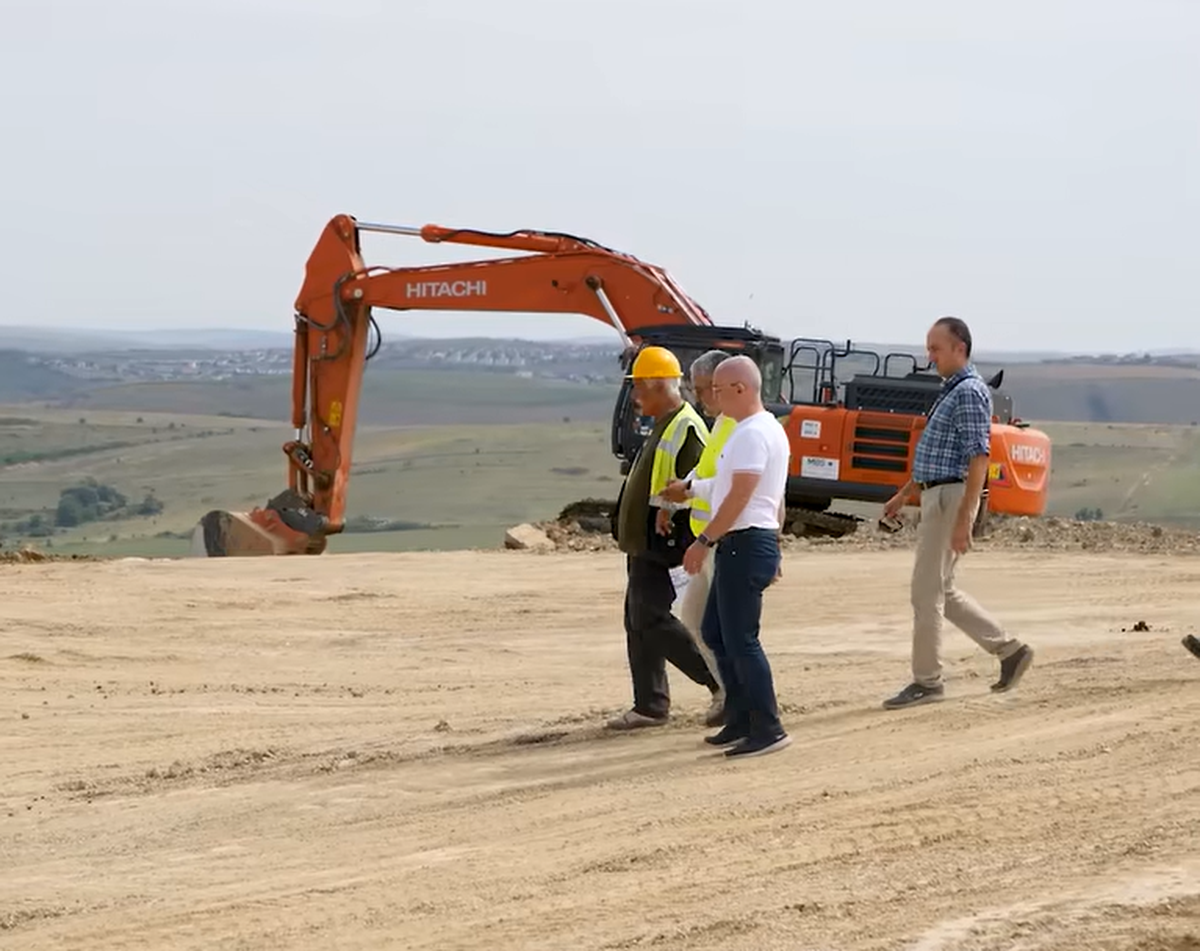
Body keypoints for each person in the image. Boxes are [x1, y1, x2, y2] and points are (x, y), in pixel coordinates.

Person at [880, 316, 1034, 710]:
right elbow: (937, 457)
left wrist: (966, 517)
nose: (929, 356)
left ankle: (927, 681)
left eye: (936, 348)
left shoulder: (967, 392)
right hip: (938, 493)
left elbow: (977, 457)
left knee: (925, 592)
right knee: (941, 592)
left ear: (959, 349)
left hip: (951, 497)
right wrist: (904, 495)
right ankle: (1010, 651)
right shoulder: (952, 391)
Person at [608, 345, 725, 731]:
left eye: (639, 388)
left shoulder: (686, 425)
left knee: (652, 619)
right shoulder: (664, 421)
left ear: (658, 386)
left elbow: (691, 484)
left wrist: (667, 514)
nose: (636, 397)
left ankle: (720, 682)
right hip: (645, 543)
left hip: (663, 544)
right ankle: (650, 704)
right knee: (638, 620)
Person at [680, 355, 792, 758]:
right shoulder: (761, 431)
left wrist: (704, 541)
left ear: (741, 389)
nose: (712, 397)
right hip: (748, 541)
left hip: (743, 542)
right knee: (715, 632)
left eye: (718, 390)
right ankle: (742, 716)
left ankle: (768, 726)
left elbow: (740, 495)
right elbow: (770, 497)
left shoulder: (750, 434)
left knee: (742, 639)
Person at [659, 350, 738, 694]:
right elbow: (704, 469)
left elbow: (729, 484)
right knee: (694, 621)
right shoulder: (720, 425)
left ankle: (738, 698)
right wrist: (673, 500)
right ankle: (726, 692)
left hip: (724, 542)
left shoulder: (738, 427)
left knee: (723, 630)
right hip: (707, 542)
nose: (701, 397)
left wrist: (687, 491)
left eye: (706, 389)